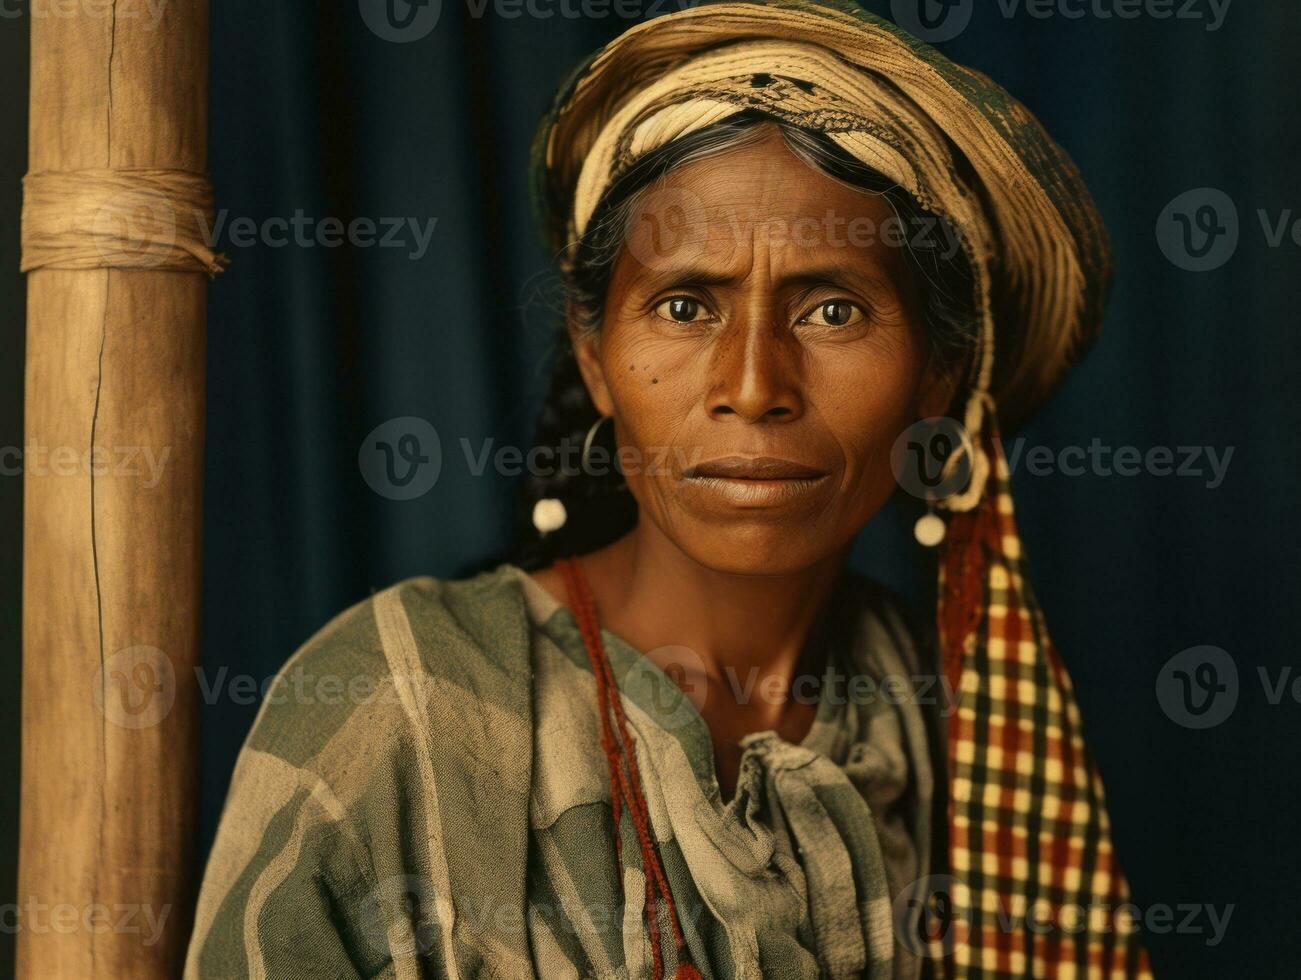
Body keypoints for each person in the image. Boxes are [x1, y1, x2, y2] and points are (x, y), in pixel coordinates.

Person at [186, 2, 1151, 976]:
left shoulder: (968, 729)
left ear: (936, 376)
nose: (751, 386)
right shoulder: (394, 707)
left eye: (830, 307)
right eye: (685, 305)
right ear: (593, 354)